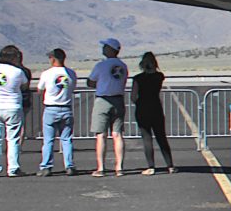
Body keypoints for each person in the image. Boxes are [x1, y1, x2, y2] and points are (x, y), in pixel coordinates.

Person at [0, 45, 32, 177]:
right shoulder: (17, 71)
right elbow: (24, 85)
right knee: (13, 139)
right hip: (12, 106)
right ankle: (13, 168)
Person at [86, 38, 129, 177]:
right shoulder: (123, 66)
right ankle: (119, 167)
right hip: (118, 100)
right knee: (117, 134)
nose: (103, 48)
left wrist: (100, 84)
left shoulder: (101, 66)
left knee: (101, 135)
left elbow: (90, 82)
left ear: (111, 49)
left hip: (103, 100)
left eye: (105, 46)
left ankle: (101, 167)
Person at [133, 52, 176, 175]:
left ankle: (151, 167)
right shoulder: (159, 76)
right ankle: (170, 166)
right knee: (161, 137)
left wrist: (139, 102)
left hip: (142, 109)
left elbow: (133, 96)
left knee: (147, 138)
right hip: (156, 108)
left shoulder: (138, 78)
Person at [35, 48, 77, 175]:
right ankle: (69, 165)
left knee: (48, 140)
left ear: (53, 59)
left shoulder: (47, 74)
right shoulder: (71, 73)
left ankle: (46, 166)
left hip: (51, 108)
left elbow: (40, 89)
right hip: (66, 107)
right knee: (66, 139)